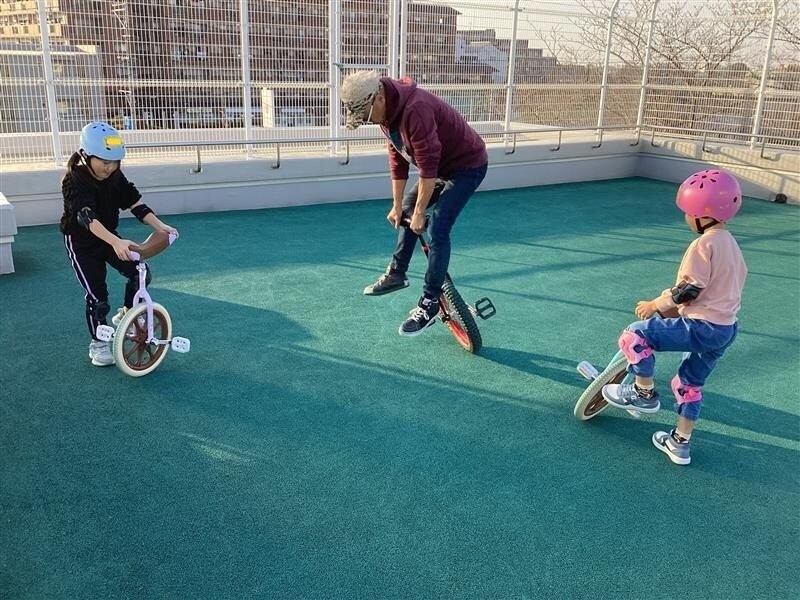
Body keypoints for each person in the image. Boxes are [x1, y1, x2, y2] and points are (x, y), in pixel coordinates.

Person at [602, 169, 747, 465]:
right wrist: (678, 310)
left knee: (635, 334)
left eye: (688, 212)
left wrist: (656, 304)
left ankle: (643, 393)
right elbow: (716, 290)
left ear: (702, 214)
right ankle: (680, 444)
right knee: (688, 384)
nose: (685, 217)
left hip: (702, 327)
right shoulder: (731, 245)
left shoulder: (703, 244)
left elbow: (690, 288)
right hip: (726, 329)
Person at [340, 70, 488, 336]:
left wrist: (421, 212)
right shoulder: (387, 114)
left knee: (438, 227)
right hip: (440, 168)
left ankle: (430, 303)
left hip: (467, 166)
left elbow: (428, 166)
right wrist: (398, 205)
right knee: (406, 212)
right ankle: (397, 273)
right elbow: (398, 159)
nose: (368, 121)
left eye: (367, 115)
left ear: (379, 98)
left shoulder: (416, 109)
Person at [60, 121, 179, 366]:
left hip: (110, 237)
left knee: (139, 273)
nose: (110, 167)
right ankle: (98, 343)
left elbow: (136, 204)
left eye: (115, 162)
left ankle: (128, 314)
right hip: (82, 243)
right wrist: (115, 242)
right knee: (97, 297)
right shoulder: (74, 179)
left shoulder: (115, 176)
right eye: (104, 161)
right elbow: (87, 218)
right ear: (86, 155)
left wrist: (161, 226)